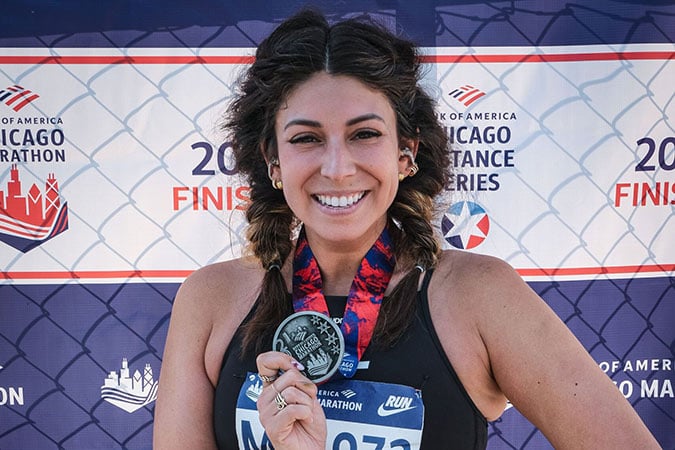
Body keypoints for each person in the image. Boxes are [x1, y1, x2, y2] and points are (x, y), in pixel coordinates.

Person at [153, 9, 661, 450]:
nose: (336, 167)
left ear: (407, 152)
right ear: (273, 161)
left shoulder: (477, 296)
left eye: (365, 134)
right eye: (306, 138)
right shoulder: (211, 301)